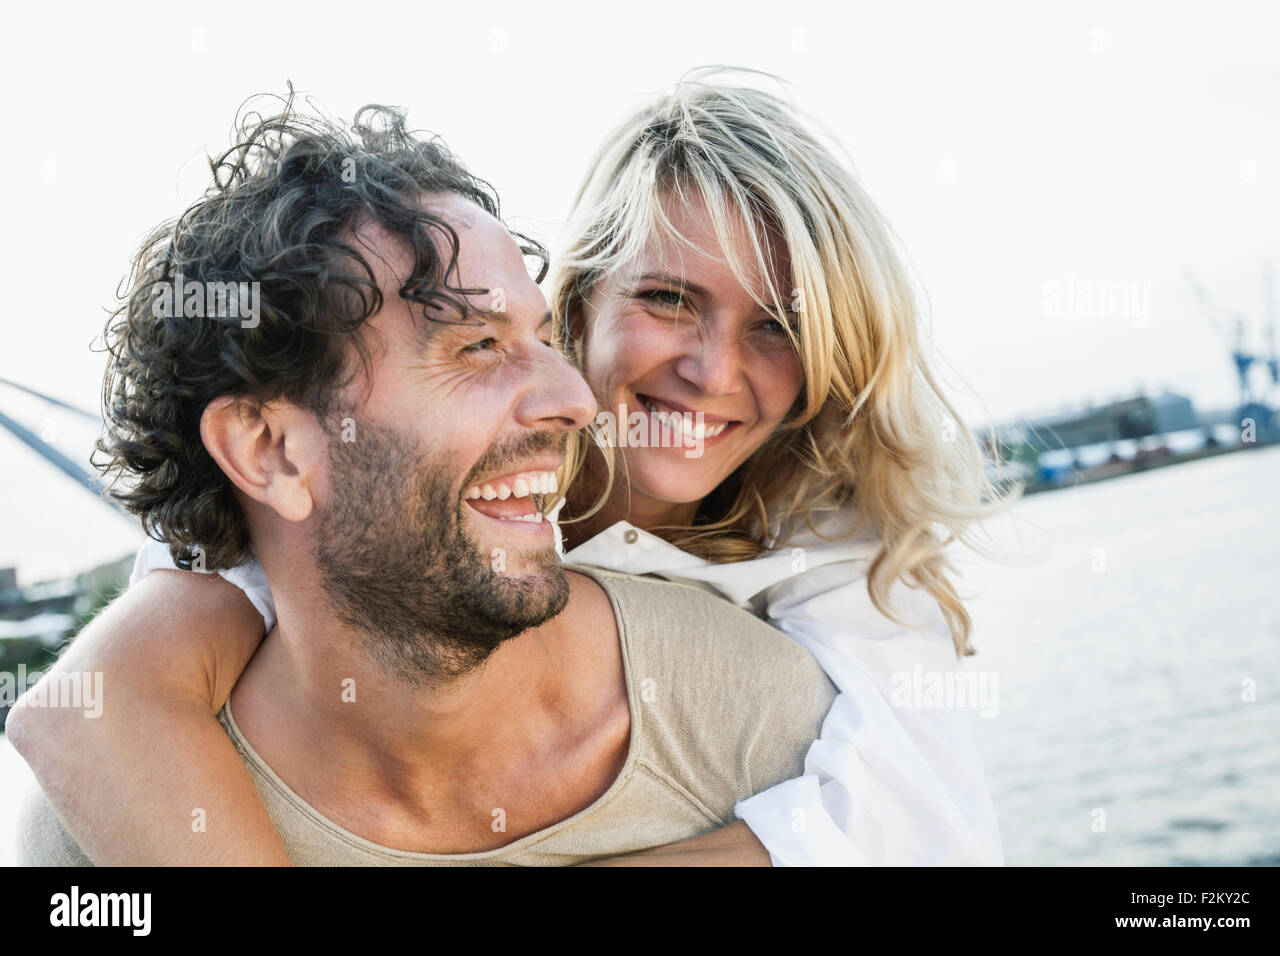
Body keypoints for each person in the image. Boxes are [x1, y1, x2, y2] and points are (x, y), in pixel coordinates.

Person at [13, 70, 1021, 866]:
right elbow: (92, 705)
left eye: (777, 328)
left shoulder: (824, 561)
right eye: (669, 299)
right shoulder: (341, 495)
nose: (713, 370)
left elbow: (920, 811)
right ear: (579, 304)